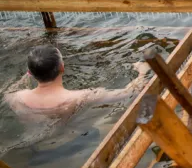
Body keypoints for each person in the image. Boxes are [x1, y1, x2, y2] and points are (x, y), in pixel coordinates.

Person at [3, 45, 151, 120]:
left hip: (36, 152)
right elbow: (128, 92)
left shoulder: (13, 97)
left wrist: (29, 74)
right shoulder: (81, 96)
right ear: (62, 67)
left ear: (30, 73)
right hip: (70, 143)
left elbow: (10, 90)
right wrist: (142, 71)